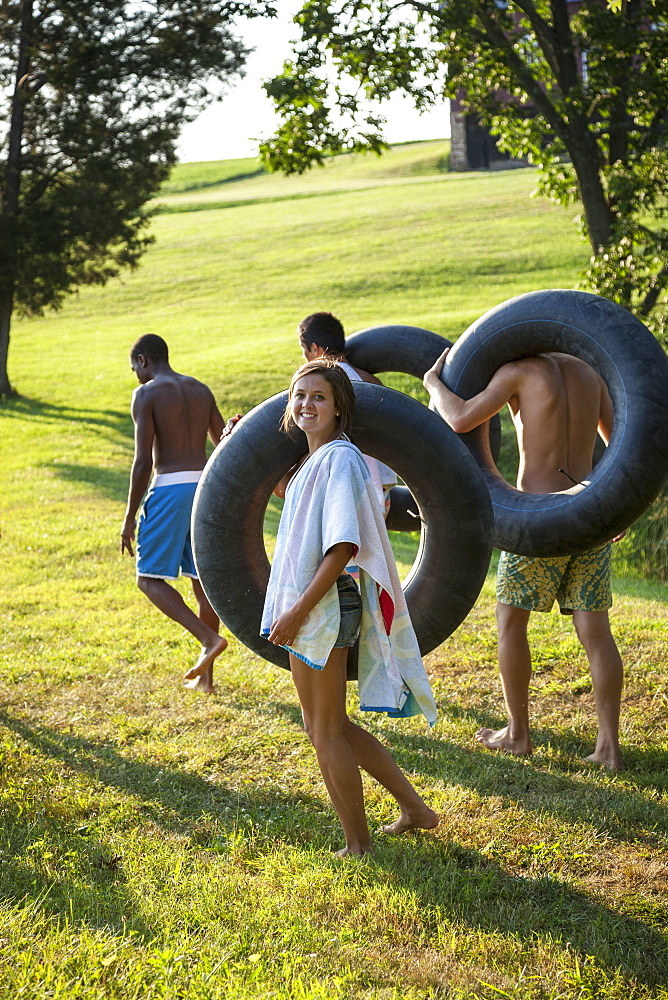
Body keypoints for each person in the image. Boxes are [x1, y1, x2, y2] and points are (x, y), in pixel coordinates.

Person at [263, 358, 439, 856]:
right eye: (299, 395)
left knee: (322, 731)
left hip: (320, 604)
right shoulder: (319, 462)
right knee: (330, 726)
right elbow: (301, 507)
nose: (306, 404)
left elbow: (343, 547)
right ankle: (415, 810)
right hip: (319, 603)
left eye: (318, 396)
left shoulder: (340, 459)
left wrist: (298, 610)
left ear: (339, 406)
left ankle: (357, 844)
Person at [423, 348, 624, 771]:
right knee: (595, 631)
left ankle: (517, 733)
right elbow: (620, 442)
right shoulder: (591, 373)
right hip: (588, 511)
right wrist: (617, 505)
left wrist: (432, 384)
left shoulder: (517, 371)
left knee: (511, 622)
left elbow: (459, 418)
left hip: (537, 517)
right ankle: (609, 746)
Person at [120, 334, 227, 694]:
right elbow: (223, 442)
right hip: (205, 487)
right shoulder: (200, 389)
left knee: (148, 579)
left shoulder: (146, 393)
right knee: (202, 582)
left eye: (134, 366)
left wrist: (129, 517)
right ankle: (206, 679)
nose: (135, 374)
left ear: (144, 359)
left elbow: (143, 462)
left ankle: (208, 640)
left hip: (170, 488)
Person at [297, 311, 397, 515]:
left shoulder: (320, 384)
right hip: (381, 485)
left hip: (344, 482)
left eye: (303, 351)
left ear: (315, 349)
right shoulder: (372, 382)